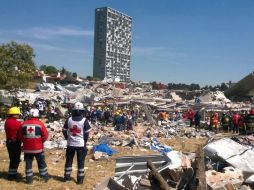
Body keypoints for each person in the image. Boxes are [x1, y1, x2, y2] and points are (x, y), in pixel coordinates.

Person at [62, 102, 91, 184]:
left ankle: (66, 178)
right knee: (80, 162)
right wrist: (85, 142)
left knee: (69, 160)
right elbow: (86, 134)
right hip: (81, 145)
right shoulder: (84, 120)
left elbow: (64, 130)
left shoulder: (69, 119)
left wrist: (67, 138)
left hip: (70, 144)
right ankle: (80, 180)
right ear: (82, 111)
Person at [18, 108, 49, 184]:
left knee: (28, 164)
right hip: (38, 149)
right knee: (41, 163)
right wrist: (41, 142)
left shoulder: (24, 124)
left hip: (27, 149)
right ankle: (44, 178)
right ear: (37, 115)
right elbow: (45, 135)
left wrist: (25, 142)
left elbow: (20, 136)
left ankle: (29, 180)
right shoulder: (40, 124)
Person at [4, 107, 22, 180]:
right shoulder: (16, 123)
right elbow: (21, 133)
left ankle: (12, 174)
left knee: (13, 159)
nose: (19, 115)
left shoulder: (7, 121)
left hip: (9, 142)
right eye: (18, 114)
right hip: (15, 143)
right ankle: (12, 176)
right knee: (15, 159)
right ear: (14, 114)